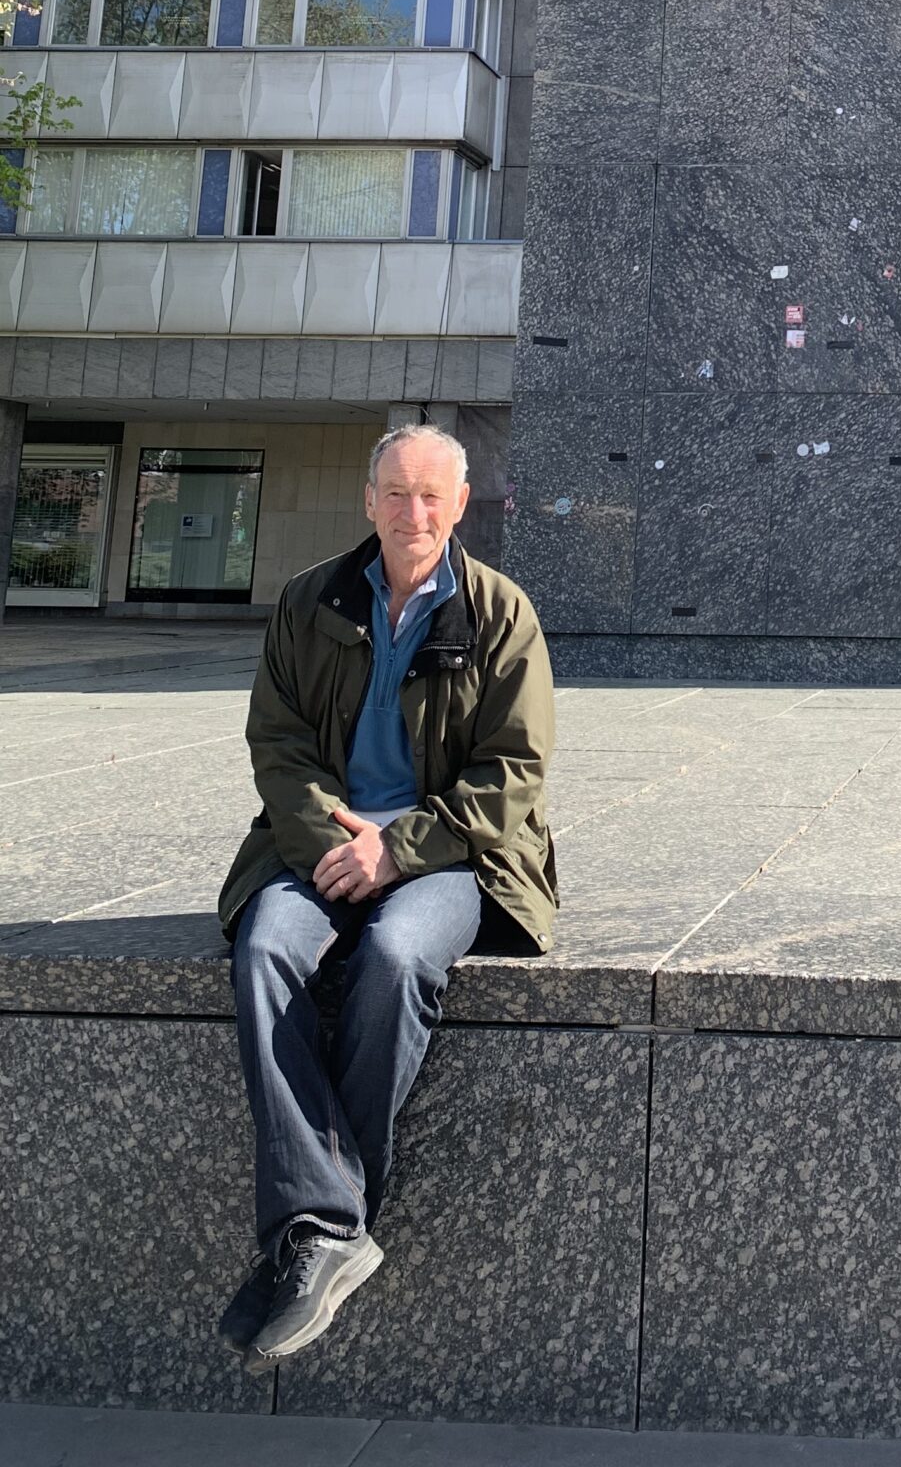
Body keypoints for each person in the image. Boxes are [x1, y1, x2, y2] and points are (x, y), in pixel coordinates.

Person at [215, 422, 557, 1366]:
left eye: (431, 496)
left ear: (459, 508)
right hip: (320, 841)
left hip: (453, 855)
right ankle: (333, 1223)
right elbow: (276, 744)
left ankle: (321, 1223)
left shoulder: (500, 614)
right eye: (395, 493)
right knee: (266, 948)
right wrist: (336, 841)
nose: (413, 512)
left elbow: (514, 773)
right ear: (369, 501)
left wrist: (398, 851)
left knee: (400, 955)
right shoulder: (308, 601)